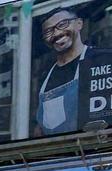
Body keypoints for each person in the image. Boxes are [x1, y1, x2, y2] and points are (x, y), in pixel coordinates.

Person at [36, 4, 112, 136]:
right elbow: (39, 129)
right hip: (59, 154)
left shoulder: (106, 59)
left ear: (79, 24)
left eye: (63, 24)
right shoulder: (44, 77)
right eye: (49, 31)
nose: (57, 33)